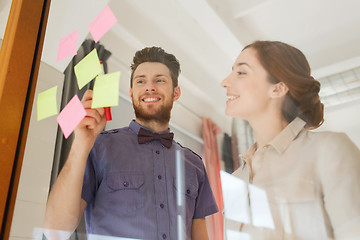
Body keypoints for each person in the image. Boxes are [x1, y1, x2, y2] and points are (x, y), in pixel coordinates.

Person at [43, 46, 218, 240]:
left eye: (159, 80)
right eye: (140, 81)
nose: (149, 86)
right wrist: (81, 144)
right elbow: (54, 231)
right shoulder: (99, 147)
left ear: (176, 93)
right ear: (132, 92)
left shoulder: (194, 164)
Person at [221, 40, 360, 239]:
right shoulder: (237, 179)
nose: (225, 82)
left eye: (241, 72)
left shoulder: (329, 150)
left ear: (277, 88)